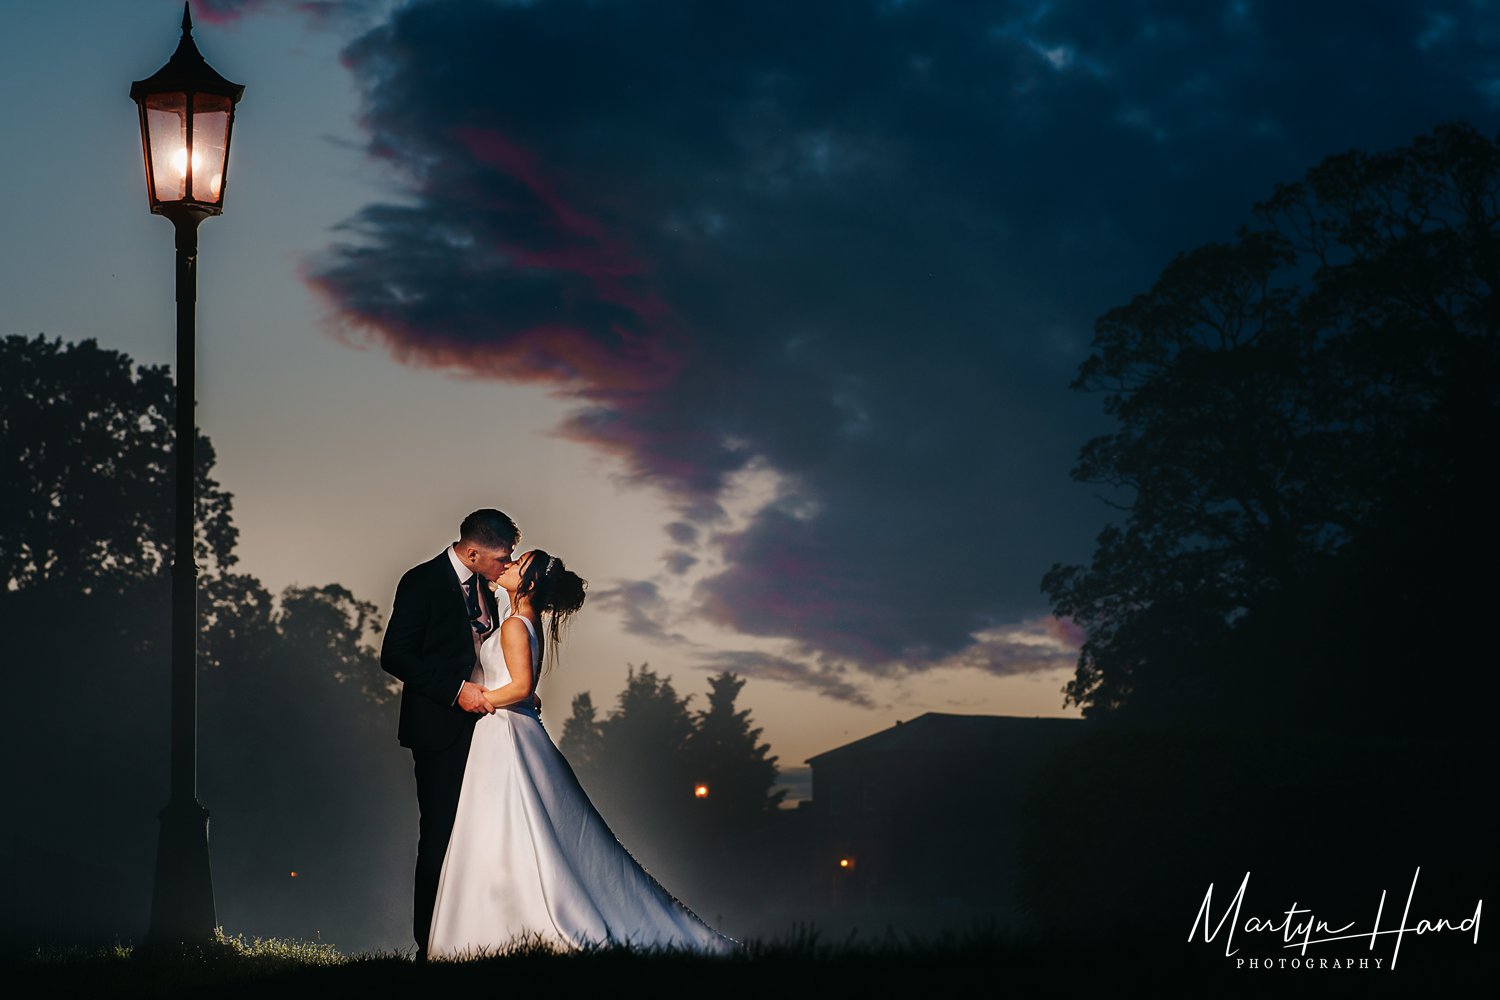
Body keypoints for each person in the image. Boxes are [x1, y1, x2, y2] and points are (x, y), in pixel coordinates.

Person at [427, 548, 735, 957]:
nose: (509, 565)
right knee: (504, 822)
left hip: (504, 729)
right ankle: (499, 922)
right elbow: (523, 684)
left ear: (530, 584)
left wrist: (480, 698)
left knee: (510, 820)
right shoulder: (520, 622)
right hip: (504, 727)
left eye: (518, 565)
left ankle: (510, 923)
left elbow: (519, 687)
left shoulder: (517, 626)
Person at [380, 509, 518, 962]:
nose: (507, 562)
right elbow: (395, 655)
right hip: (439, 729)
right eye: (501, 555)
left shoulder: (490, 588)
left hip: (488, 728)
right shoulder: (420, 581)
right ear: (473, 551)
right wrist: (456, 691)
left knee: (484, 834)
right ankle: (431, 944)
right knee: (439, 833)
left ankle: (480, 935)